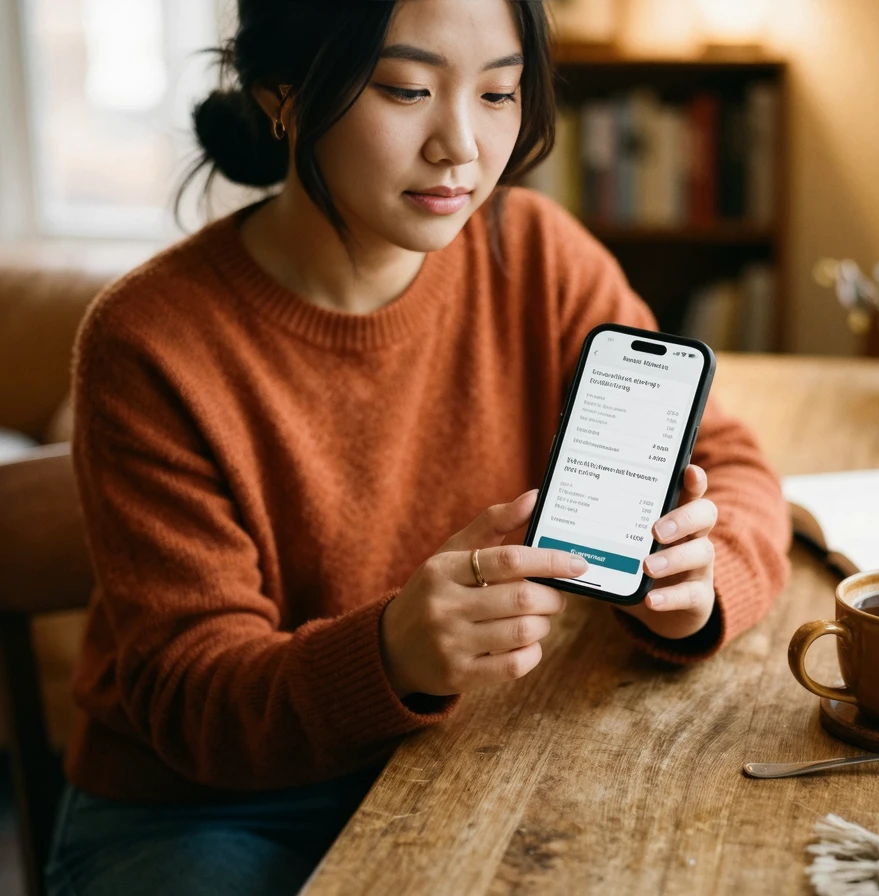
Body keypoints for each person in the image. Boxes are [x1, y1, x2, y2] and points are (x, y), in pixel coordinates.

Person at [45, 1, 791, 893]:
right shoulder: (151, 341)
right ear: (281, 93)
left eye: (500, 92)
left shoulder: (535, 256)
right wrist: (391, 652)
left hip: (458, 756)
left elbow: (731, 464)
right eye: (406, 89)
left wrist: (699, 587)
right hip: (204, 808)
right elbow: (190, 693)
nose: (462, 146)